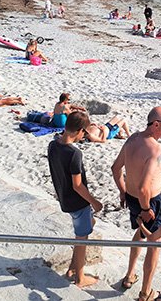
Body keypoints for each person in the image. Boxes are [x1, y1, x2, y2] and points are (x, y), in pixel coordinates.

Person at [111, 107, 161, 301]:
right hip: (149, 203)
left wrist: (123, 192)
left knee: (138, 233)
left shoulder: (133, 139)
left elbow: (115, 168)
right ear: (156, 124)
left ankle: (130, 275)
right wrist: (146, 209)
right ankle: (145, 292)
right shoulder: (155, 150)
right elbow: (145, 188)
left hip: (131, 197)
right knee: (154, 245)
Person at [47, 111, 103, 288]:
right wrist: (94, 201)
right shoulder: (74, 153)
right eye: (84, 132)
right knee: (82, 239)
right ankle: (80, 277)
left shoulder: (52, 145)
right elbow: (78, 185)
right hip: (78, 202)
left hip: (64, 198)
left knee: (87, 226)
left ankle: (72, 267)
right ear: (79, 131)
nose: (84, 136)